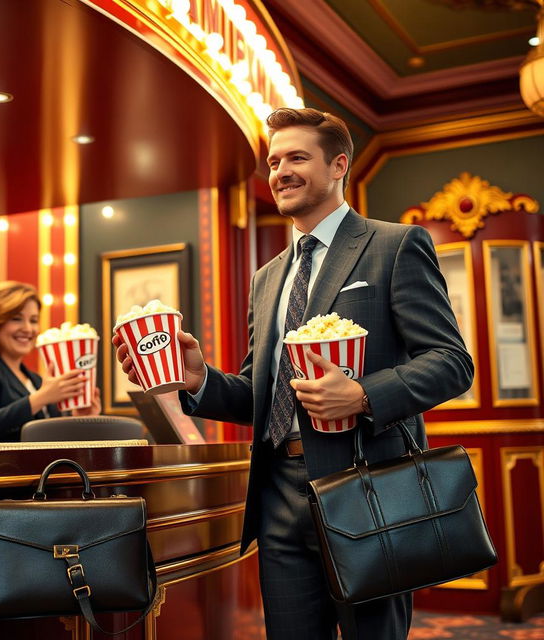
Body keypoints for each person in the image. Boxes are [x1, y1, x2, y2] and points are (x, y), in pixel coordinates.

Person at [114, 108, 474, 639]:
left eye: (297, 157)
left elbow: (451, 362)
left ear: (338, 165)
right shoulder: (267, 278)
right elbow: (261, 397)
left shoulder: (394, 245)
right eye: (274, 160)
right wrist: (198, 380)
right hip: (279, 494)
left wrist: (362, 395)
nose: (280, 170)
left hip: (368, 485)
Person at [0, 281, 100, 443]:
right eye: (16, 319)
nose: (28, 329)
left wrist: (78, 417)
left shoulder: (36, 380)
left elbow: (50, 440)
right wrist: (41, 397)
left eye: (34, 320)